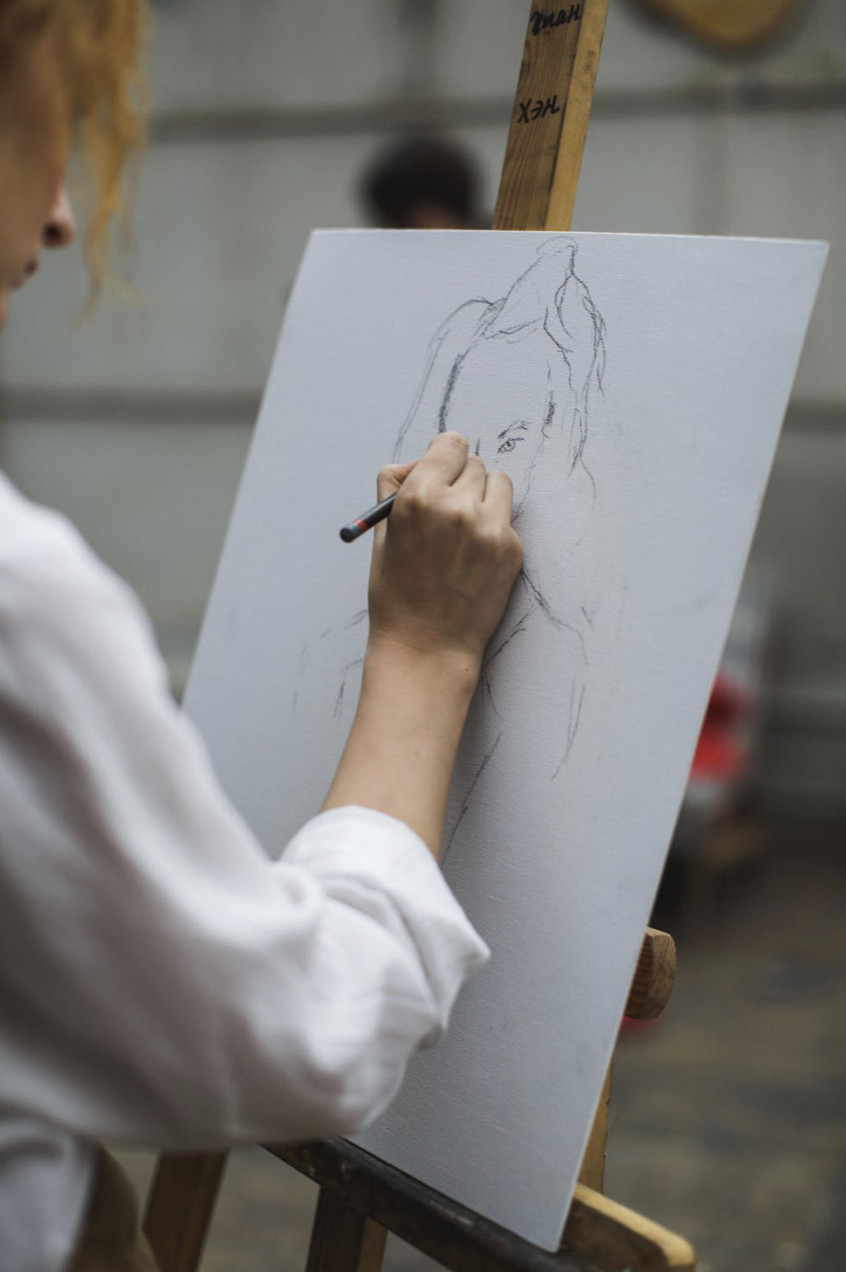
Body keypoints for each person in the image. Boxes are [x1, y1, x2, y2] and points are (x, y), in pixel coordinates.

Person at [0, 4, 522, 1270]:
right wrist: (426, 655)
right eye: (46, 120)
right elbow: (305, 1040)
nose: (63, 217)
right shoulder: (18, 596)